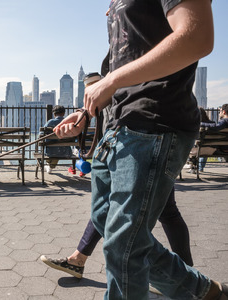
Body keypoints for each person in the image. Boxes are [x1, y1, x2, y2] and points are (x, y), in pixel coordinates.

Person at [52, 0, 228, 298]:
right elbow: (130, 59)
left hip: (156, 122)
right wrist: (86, 113)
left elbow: (197, 37)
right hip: (117, 128)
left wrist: (111, 80)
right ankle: (205, 291)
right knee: (112, 229)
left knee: (124, 245)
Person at [41, 186, 193, 278]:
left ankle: (186, 276)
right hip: (132, 146)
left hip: (150, 145)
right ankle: (78, 259)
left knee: (167, 212)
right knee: (107, 205)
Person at [42, 105, 73, 174]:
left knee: (54, 149)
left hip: (50, 152)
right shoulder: (69, 122)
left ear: (54, 114)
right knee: (59, 148)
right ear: (64, 113)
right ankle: (51, 166)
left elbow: (41, 135)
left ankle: (50, 166)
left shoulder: (50, 122)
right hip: (66, 152)